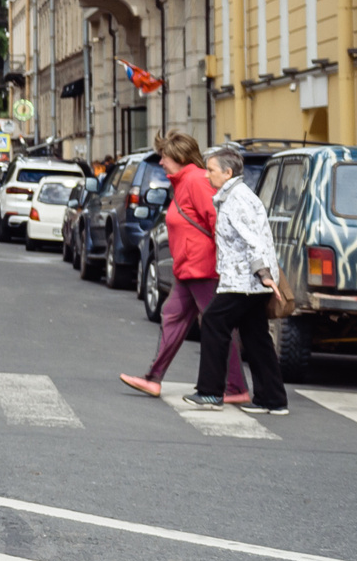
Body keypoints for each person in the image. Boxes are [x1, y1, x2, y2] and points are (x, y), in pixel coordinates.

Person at [119, 132, 245, 402]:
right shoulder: (185, 181)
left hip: (204, 269)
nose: (161, 162)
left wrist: (223, 263)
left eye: (164, 156)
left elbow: (217, 221)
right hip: (189, 270)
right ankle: (153, 378)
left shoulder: (196, 181)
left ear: (178, 156)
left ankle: (236, 388)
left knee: (217, 325)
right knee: (172, 317)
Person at [185, 146, 288, 415]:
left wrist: (264, 275)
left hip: (246, 281)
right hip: (248, 280)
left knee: (213, 321)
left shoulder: (237, 200)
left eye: (211, 170)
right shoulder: (234, 196)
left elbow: (253, 239)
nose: (207, 176)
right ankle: (273, 400)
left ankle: (210, 392)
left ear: (228, 172)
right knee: (256, 338)